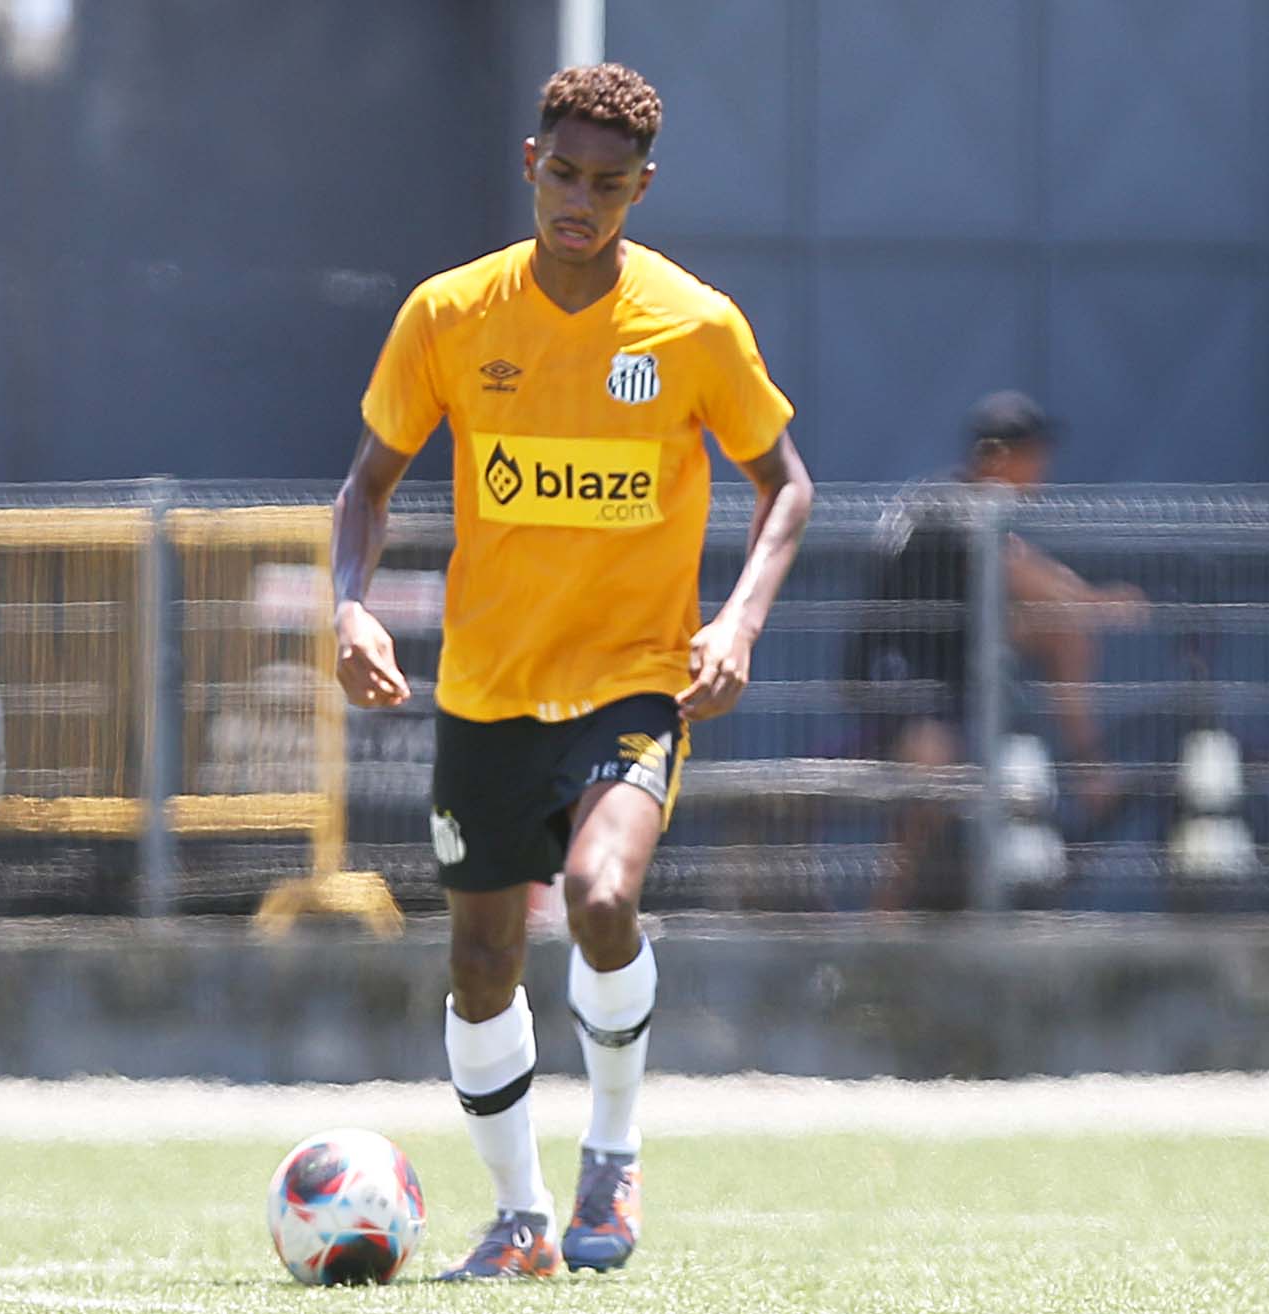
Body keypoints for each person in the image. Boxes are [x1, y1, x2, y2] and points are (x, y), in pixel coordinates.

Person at [331, 63, 812, 1279]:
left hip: (633, 680)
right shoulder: (449, 315)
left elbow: (786, 486)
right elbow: (367, 486)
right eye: (563, 175)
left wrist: (737, 624)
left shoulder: (692, 327)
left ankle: (613, 1147)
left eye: (607, 184)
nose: (579, 202)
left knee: (600, 897)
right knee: (481, 961)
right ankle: (520, 1220)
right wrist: (350, 607)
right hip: (487, 688)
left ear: (641, 188)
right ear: (528, 166)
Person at [850, 391, 1142, 909]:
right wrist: (1099, 602)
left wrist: (1081, 607)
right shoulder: (952, 505)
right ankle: (884, 917)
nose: (1042, 469)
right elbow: (1026, 576)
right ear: (996, 456)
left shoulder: (977, 508)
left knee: (1064, 630)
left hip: (950, 671)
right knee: (932, 773)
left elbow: (1035, 583)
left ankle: (1089, 770)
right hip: (899, 681)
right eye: (1032, 455)